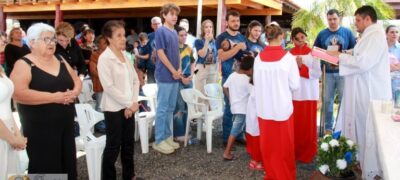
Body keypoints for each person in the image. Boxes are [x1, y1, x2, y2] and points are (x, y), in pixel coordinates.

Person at [11, 23, 82, 179]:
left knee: (68, 163)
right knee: (47, 167)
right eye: (46, 39)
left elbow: (76, 80)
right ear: (32, 43)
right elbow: (18, 93)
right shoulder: (23, 64)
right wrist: (54, 97)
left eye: (53, 39)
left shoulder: (60, 59)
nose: (52, 43)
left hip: (66, 125)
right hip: (40, 129)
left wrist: (75, 92)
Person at [328, 6, 391, 179]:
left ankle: (371, 168)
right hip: (363, 90)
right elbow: (359, 54)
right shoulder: (370, 35)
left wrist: (339, 57)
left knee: (368, 129)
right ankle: (363, 163)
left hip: (370, 92)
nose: (356, 24)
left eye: (357, 20)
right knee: (362, 128)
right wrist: (346, 53)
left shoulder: (375, 35)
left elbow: (363, 62)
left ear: (367, 19)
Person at [253, 24, 300, 180]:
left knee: (268, 145)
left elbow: (256, 82)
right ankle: (284, 175)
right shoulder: (288, 58)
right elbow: (295, 85)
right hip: (281, 109)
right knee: (283, 147)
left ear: (266, 38)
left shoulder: (258, 58)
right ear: (281, 37)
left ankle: (271, 173)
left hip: (264, 108)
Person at [97, 20, 140, 180]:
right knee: (113, 147)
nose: (123, 39)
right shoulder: (104, 58)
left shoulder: (124, 56)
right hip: (113, 109)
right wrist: (129, 104)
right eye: (119, 35)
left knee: (128, 145)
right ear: (109, 38)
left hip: (129, 107)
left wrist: (133, 104)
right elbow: (109, 87)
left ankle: (129, 176)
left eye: (124, 35)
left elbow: (135, 80)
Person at [314, 9, 357, 134]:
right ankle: (328, 128)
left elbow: (354, 50)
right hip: (327, 73)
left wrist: (341, 54)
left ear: (339, 19)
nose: (332, 21)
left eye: (334, 19)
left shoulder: (347, 32)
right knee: (327, 101)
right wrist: (327, 56)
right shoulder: (322, 34)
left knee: (344, 101)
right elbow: (315, 51)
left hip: (343, 73)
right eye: (330, 19)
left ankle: (341, 127)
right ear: (327, 19)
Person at [152, 3, 181, 154]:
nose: (174, 16)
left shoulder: (175, 32)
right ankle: (159, 140)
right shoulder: (161, 31)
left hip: (174, 76)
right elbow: (160, 54)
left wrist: (179, 69)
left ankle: (167, 136)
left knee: (170, 108)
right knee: (162, 109)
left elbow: (177, 53)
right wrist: (173, 70)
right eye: (171, 14)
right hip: (164, 75)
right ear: (164, 15)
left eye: (176, 14)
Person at [289, 27, 321, 163]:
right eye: (298, 38)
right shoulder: (289, 54)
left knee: (308, 124)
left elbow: (317, 73)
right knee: (295, 125)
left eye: (303, 37)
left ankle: (309, 152)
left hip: (309, 93)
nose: (302, 40)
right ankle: (294, 151)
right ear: (293, 40)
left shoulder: (314, 53)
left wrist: (302, 67)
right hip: (294, 94)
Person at [215, 10, 247, 144]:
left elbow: (244, 57)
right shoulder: (221, 37)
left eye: (237, 21)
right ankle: (226, 139)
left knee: (242, 108)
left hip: (242, 78)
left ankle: (238, 135)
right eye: (233, 21)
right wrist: (238, 47)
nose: (236, 23)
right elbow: (222, 56)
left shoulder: (242, 37)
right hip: (228, 79)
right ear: (227, 22)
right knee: (229, 108)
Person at [0, 31, 27, 180]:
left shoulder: (1, 68)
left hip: (8, 129)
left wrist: (17, 133)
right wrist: (12, 139)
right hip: (3, 132)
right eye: (1, 39)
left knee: (11, 174)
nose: (4, 40)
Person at [222, 56, 253, 161]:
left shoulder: (232, 75)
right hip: (243, 110)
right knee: (235, 130)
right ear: (249, 69)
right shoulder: (248, 80)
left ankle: (251, 148)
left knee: (245, 128)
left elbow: (224, 87)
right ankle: (227, 153)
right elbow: (253, 94)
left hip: (235, 107)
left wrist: (230, 98)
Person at [173, 26, 195, 141]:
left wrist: (191, 75)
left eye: (185, 35)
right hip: (178, 80)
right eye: (181, 35)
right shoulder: (173, 49)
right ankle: (179, 133)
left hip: (188, 79)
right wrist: (182, 78)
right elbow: (174, 67)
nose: (184, 37)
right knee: (179, 106)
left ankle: (187, 129)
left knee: (188, 105)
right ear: (176, 36)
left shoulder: (189, 48)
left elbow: (192, 62)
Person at [193, 19, 218, 97]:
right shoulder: (198, 41)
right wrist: (206, 41)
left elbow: (217, 56)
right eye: (206, 27)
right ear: (203, 29)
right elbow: (202, 55)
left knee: (211, 93)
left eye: (210, 27)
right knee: (201, 94)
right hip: (201, 68)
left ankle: (210, 109)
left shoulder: (215, 42)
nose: (209, 29)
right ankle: (200, 109)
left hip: (212, 68)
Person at [245, 75, 263, 170]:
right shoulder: (257, 88)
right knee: (256, 137)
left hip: (255, 117)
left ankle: (257, 159)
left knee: (255, 137)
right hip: (255, 116)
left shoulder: (254, 87)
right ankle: (257, 159)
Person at [89, 35, 108, 111]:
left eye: (107, 43)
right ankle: (99, 122)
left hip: (110, 86)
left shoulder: (110, 54)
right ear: (98, 44)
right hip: (99, 84)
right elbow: (93, 70)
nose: (106, 44)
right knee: (100, 106)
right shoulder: (95, 55)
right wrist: (104, 78)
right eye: (104, 43)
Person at [386, 25, 400, 99]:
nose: (394, 34)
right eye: (392, 32)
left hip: (397, 83)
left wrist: (388, 67)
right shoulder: (381, 47)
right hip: (383, 81)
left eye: (397, 32)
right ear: (386, 34)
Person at [147, 16, 162, 84]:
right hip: (151, 66)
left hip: (163, 66)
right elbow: (145, 51)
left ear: (161, 24)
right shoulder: (148, 36)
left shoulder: (167, 35)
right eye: (155, 24)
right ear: (152, 25)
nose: (157, 25)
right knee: (151, 86)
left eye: (158, 23)